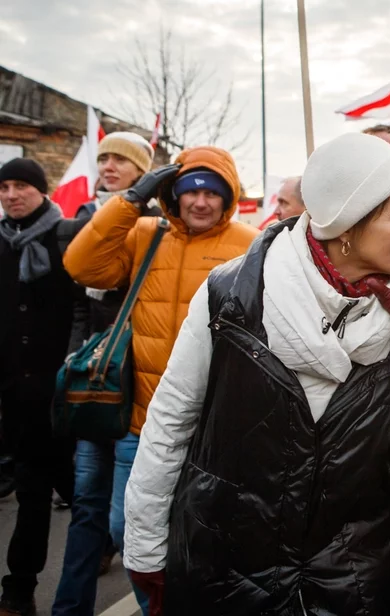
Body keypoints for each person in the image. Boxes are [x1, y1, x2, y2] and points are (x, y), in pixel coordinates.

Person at [121, 132, 390, 616]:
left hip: (353, 582)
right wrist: (147, 550)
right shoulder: (231, 296)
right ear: (348, 224)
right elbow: (171, 422)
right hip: (226, 573)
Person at [62, 146, 258, 612]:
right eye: (190, 191)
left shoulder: (252, 241)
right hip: (141, 421)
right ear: (172, 195)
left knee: (210, 537)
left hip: (216, 425)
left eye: (214, 192)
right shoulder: (145, 234)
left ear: (228, 197)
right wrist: (132, 200)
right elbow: (81, 265)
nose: (201, 202)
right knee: (127, 531)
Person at [51, 132, 162, 615]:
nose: (109, 166)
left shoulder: (158, 226)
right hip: (95, 384)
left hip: (137, 391)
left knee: (125, 520)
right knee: (86, 507)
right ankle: (68, 608)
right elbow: (79, 300)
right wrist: (77, 358)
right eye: (104, 159)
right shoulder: (85, 221)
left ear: (144, 171)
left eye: (121, 159)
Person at [0, 158, 82, 616]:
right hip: (17, 395)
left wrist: (70, 368)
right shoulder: (0, 243)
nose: (12, 194)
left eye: (21, 186)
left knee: (56, 490)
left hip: (62, 392)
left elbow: (82, 311)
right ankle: (20, 588)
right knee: (45, 488)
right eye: (4, 187)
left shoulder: (66, 235)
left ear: (41, 190)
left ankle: (20, 587)